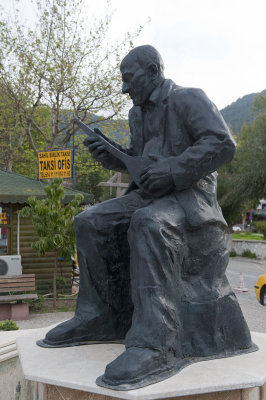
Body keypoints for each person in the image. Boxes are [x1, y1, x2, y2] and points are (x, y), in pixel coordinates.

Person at [38, 45, 254, 390]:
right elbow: (143, 168)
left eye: (129, 79)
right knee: (89, 221)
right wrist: (115, 159)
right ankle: (100, 317)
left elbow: (222, 143)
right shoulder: (136, 116)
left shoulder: (189, 99)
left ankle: (156, 343)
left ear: (154, 70)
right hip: (149, 196)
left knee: (149, 222)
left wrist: (173, 169)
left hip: (188, 201)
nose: (125, 89)